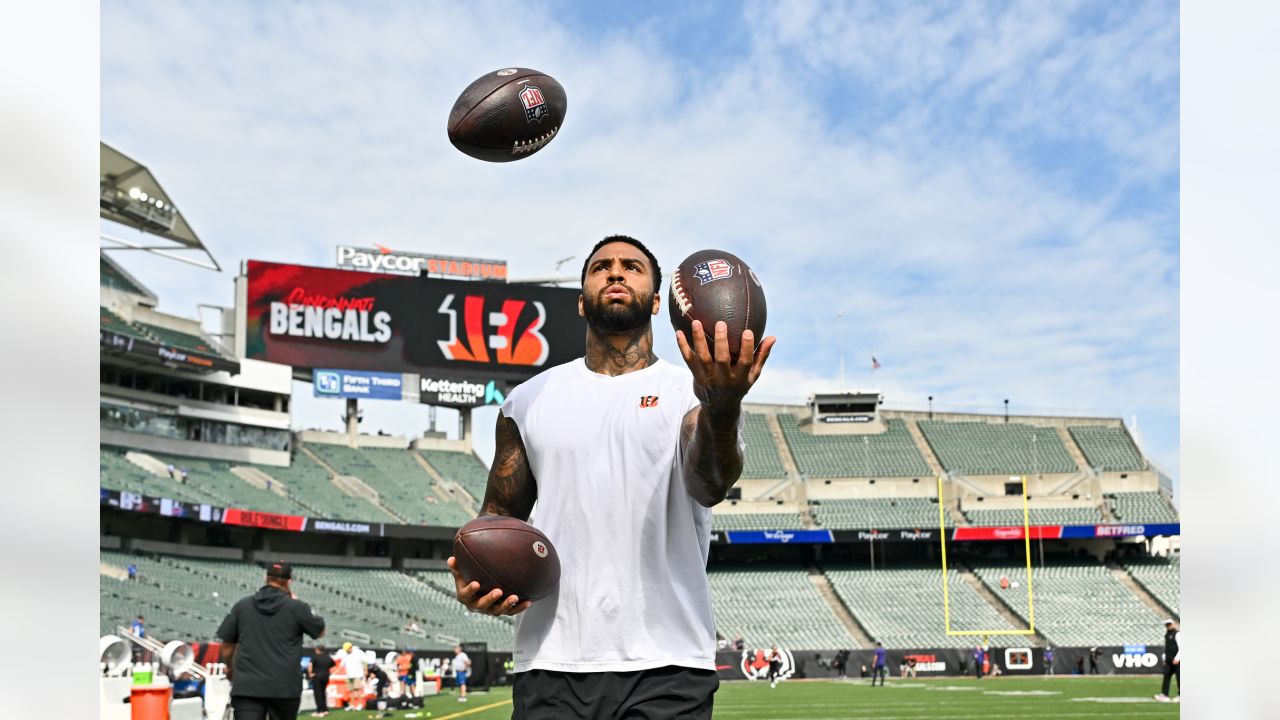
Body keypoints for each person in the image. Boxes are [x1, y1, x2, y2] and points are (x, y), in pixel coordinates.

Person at [447, 236, 775, 720]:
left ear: (661, 301)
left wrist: (722, 407)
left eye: (632, 267)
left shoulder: (695, 389)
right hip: (551, 661)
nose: (616, 273)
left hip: (668, 662)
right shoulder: (528, 400)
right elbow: (498, 520)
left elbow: (710, 486)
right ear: (581, 300)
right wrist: (483, 582)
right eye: (601, 267)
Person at [216, 562, 325, 720]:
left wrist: (231, 668)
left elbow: (227, 645)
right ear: (289, 582)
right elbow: (320, 631)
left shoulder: (242, 605)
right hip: (284, 688)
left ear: (266, 578)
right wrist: (299, 603)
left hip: (248, 686)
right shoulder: (296, 607)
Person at [1155, 618, 1181, 703]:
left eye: (1170, 624)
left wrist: (1177, 658)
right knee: (1166, 677)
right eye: (1167, 624)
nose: (1168, 626)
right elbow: (1167, 648)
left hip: (1177, 661)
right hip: (1169, 660)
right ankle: (1164, 694)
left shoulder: (1177, 634)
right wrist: (1164, 658)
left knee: (1180, 678)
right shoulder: (1167, 634)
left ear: (1173, 624)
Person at [307, 645, 334, 717]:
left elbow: (310, 665)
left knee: (317, 694)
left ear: (318, 649)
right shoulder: (328, 657)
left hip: (317, 676)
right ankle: (325, 710)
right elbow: (333, 664)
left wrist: (310, 674)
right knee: (323, 693)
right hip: (326, 676)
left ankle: (319, 711)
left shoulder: (315, 657)